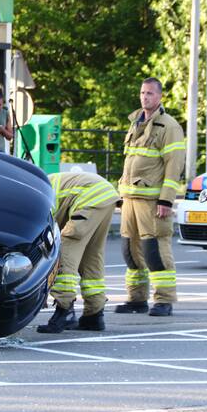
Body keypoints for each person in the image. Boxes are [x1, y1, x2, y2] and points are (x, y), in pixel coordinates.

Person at [116, 77, 186, 317]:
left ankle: (164, 299)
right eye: (142, 93)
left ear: (159, 97)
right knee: (130, 251)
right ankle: (136, 298)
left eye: (150, 94)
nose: (145, 97)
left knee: (155, 250)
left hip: (152, 201)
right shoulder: (136, 122)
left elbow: (174, 165)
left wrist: (167, 199)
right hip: (130, 198)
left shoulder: (169, 126)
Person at [37, 171, 119, 333]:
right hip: (106, 195)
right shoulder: (39, 185)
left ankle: (64, 310)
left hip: (90, 197)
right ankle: (94, 315)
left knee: (65, 252)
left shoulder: (33, 198)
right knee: (91, 256)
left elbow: (45, 239)